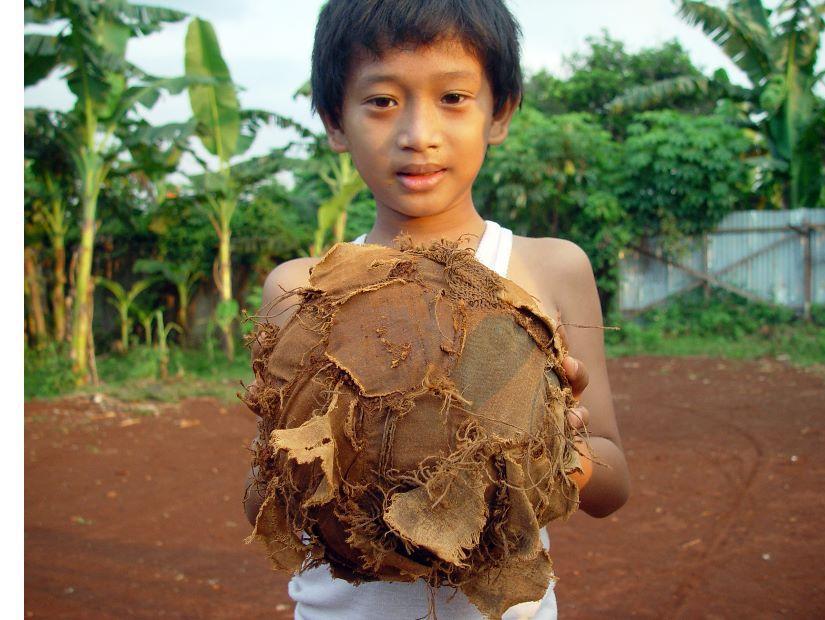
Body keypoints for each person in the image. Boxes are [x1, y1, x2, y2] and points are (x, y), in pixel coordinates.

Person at [244, 0, 631, 617]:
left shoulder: (551, 269)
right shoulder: (299, 290)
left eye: (453, 98)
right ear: (334, 122)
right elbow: (276, 483)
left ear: (498, 113)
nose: (418, 133)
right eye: (381, 101)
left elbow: (613, 484)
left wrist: (555, 443)